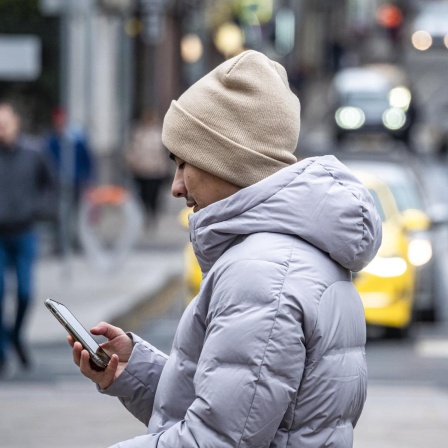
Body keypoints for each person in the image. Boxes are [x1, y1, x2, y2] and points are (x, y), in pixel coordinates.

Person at [69, 50, 382, 447]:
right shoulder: (292, 252)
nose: (175, 186)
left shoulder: (262, 273)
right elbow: (243, 414)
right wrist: (135, 371)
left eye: (186, 164)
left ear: (230, 163)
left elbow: (218, 440)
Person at [0, 102, 57, 372]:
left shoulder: (33, 153)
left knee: (24, 292)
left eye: (5, 123)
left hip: (24, 231)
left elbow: (52, 185)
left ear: (16, 123)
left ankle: (14, 337)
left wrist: (39, 209)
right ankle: (3, 349)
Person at [45, 107, 95, 253]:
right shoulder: (51, 140)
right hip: (58, 183)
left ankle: (77, 241)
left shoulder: (77, 138)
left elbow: (88, 159)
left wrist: (89, 179)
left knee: (78, 214)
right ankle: (61, 243)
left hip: (77, 182)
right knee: (61, 214)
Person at [125, 110, 170, 226]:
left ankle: (152, 213)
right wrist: (131, 162)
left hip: (155, 171)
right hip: (141, 170)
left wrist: (163, 167)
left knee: (154, 194)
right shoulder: (138, 133)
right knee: (143, 194)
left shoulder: (160, 134)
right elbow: (133, 150)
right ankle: (146, 213)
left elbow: (164, 153)